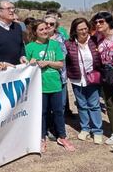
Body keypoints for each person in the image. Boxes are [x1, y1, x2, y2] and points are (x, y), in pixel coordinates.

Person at [26, 20, 75, 152]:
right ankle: (42, 137)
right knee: (42, 113)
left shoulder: (54, 44)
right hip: (39, 87)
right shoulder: (29, 47)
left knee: (59, 111)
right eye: (41, 30)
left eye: (46, 29)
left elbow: (60, 64)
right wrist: (29, 62)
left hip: (55, 84)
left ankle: (62, 136)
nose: (44, 32)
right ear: (35, 32)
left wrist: (47, 62)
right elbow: (25, 67)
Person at [65, 18, 103, 144]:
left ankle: (97, 130)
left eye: (85, 28)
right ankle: (85, 128)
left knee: (94, 105)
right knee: (81, 105)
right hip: (76, 80)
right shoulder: (68, 44)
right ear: (75, 31)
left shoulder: (94, 41)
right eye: (80, 29)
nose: (84, 31)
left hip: (92, 79)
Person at [92, 12, 113, 153]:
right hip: (106, 76)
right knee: (110, 105)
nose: (98, 24)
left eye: (101, 22)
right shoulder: (99, 38)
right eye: (96, 22)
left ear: (109, 22)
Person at [0, 0, 27, 67]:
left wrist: (22, 56)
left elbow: (21, 45)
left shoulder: (17, 27)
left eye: (13, 8)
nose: (12, 10)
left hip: (18, 71)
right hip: (0, 72)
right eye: (9, 8)